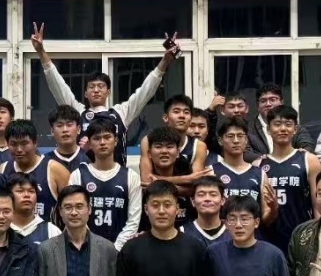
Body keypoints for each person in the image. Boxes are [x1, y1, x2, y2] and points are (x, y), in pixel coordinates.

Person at [31, 22, 180, 165]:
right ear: (85, 93)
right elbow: (58, 86)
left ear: (108, 92)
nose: (96, 90)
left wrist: (165, 61)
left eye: (101, 86)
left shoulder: (121, 113)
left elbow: (145, 91)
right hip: (84, 177)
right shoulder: (78, 113)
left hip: (117, 175)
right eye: (91, 87)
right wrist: (41, 52)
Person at [67, 119, 142, 249]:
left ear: (116, 141)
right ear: (89, 143)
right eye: (97, 138)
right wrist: (94, 247)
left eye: (107, 137)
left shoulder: (131, 176)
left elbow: (133, 221)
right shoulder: (78, 175)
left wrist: (115, 248)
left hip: (120, 250)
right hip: (86, 248)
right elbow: (74, 214)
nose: (102, 142)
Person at [261, 106, 320, 253]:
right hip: (267, 239)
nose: (283, 129)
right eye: (277, 124)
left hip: (302, 237)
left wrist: (319, 237)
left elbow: (318, 204)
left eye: (288, 124)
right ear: (268, 129)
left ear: (295, 129)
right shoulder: (259, 164)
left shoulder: (309, 160)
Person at [0, 119, 70, 223]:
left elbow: (72, 206)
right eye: (13, 144)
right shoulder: (2, 171)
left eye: (24, 143)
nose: (19, 149)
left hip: (48, 232)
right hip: (13, 232)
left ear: (35, 143)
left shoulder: (55, 170)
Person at [211, 117, 277, 223]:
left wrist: (273, 209)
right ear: (220, 140)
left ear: (246, 140)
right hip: (223, 232)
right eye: (230, 136)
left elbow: (265, 218)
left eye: (240, 136)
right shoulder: (211, 172)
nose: (236, 141)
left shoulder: (259, 174)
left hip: (253, 232)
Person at [140, 94, 208, 180]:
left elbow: (195, 181)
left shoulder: (199, 146)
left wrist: (157, 180)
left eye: (186, 112)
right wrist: (185, 179)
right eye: (176, 112)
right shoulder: (148, 140)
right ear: (166, 118)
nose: (182, 116)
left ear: (190, 118)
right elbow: (146, 179)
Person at [140, 126, 194, 231]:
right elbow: (146, 182)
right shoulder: (146, 172)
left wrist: (159, 183)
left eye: (169, 147)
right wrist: (186, 179)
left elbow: (193, 191)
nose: (164, 151)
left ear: (177, 152)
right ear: (149, 153)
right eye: (158, 147)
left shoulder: (183, 165)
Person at [9, 174, 62, 247]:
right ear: (9, 196)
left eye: (31, 191)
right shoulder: (1, 229)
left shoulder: (52, 231)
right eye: (20, 191)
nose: (27, 195)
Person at [183, 176, 231, 247]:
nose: (207, 199)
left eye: (213, 195)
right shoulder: (182, 232)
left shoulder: (233, 231)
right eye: (201, 195)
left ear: (222, 200)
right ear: (193, 201)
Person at [47, 104, 86, 172]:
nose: (65, 130)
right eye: (60, 125)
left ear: (78, 129)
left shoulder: (90, 159)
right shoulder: (45, 162)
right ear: (52, 131)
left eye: (69, 125)